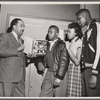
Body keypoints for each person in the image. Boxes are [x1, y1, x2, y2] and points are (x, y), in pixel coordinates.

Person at [0, 18, 32, 97]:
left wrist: (28, 58)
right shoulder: (5, 36)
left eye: (24, 26)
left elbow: (21, 58)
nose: (23, 28)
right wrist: (17, 49)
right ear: (14, 27)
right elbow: (1, 50)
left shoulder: (22, 41)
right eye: (21, 26)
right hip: (8, 77)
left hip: (20, 78)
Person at [37, 25, 69, 97]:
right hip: (48, 72)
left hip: (58, 73)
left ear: (57, 34)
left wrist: (59, 77)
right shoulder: (46, 44)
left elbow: (64, 61)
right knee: (43, 95)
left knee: (58, 95)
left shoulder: (62, 44)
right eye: (48, 32)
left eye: (51, 32)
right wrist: (39, 62)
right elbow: (40, 56)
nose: (48, 33)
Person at [76, 8, 100, 96]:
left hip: (93, 71)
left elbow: (99, 51)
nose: (78, 22)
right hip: (86, 71)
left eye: (79, 19)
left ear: (85, 16)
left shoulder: (97, 26)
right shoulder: (87, 31)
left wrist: (94, 73)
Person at [66, 22, 83, 97]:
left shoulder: (79, 42)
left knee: (73, 94)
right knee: (69, 93)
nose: (67, 33)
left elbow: (77, 62)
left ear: (76, 33)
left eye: (70, 32)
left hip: (75, 69)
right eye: (67, 31)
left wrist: (68, 49)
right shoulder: (71, 42)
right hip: (70, 69)